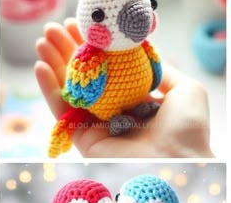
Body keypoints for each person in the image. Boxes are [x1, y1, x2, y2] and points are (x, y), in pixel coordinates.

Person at [35, 19, 214, 158]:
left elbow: (155, 72)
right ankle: (114, 117)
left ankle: (135, 108)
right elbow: (80, 93)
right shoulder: (91, 57)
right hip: (103, 109)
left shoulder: (143, 47)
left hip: (139, 97)